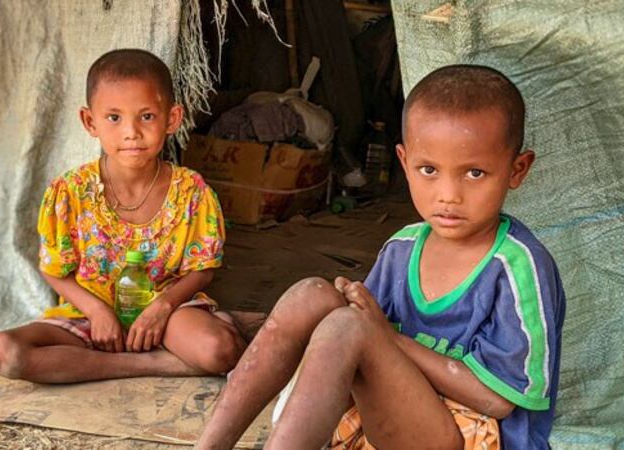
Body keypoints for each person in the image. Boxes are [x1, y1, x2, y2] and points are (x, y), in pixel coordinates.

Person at [195, 65, 566, 450]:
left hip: (473, 434)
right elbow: (365, 341)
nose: (448, 195)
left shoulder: (518, 266)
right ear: (404, 163)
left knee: (348, 328)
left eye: (474, 173)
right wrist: (354, 313)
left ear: (516, 170)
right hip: (392, 415)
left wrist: (386, 336)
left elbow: (499, 400)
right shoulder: (402, 249)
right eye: (429, 170)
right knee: (312, 295)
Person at [0, 49, 246, 383]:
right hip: (88, 316)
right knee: (2, 352)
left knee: (219, 350)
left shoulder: (191, 191)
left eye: (147, 116)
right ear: (90, 122)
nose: (131, 132)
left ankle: (92, 364)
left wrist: (161, 308)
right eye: (114, 118)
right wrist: (97, 312)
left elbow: (202, 269)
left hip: (165, 314)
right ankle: (157, 365)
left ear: (172, 119)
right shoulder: (70, 192)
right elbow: (54, 269)